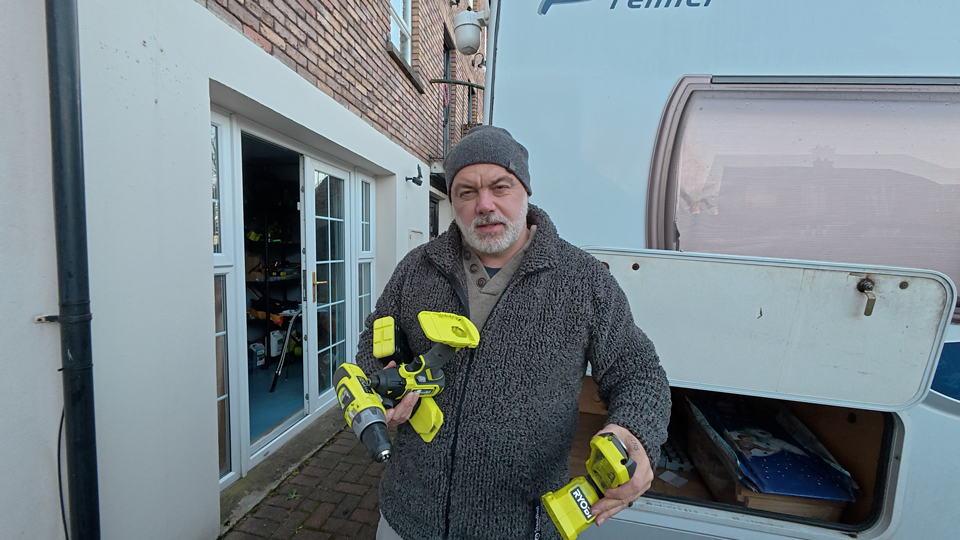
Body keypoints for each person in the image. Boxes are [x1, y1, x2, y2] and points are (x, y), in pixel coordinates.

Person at [356, 125, 671, 540]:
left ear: (525, 191)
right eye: (466, 192)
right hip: (408, 517)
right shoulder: (418, 267)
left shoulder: (583, 280)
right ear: (452, 201)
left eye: (500, 187)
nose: (484, 205)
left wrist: (635, 433)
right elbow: (371, 340)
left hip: (524, 526)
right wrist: (382, 378)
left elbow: (638, 372)